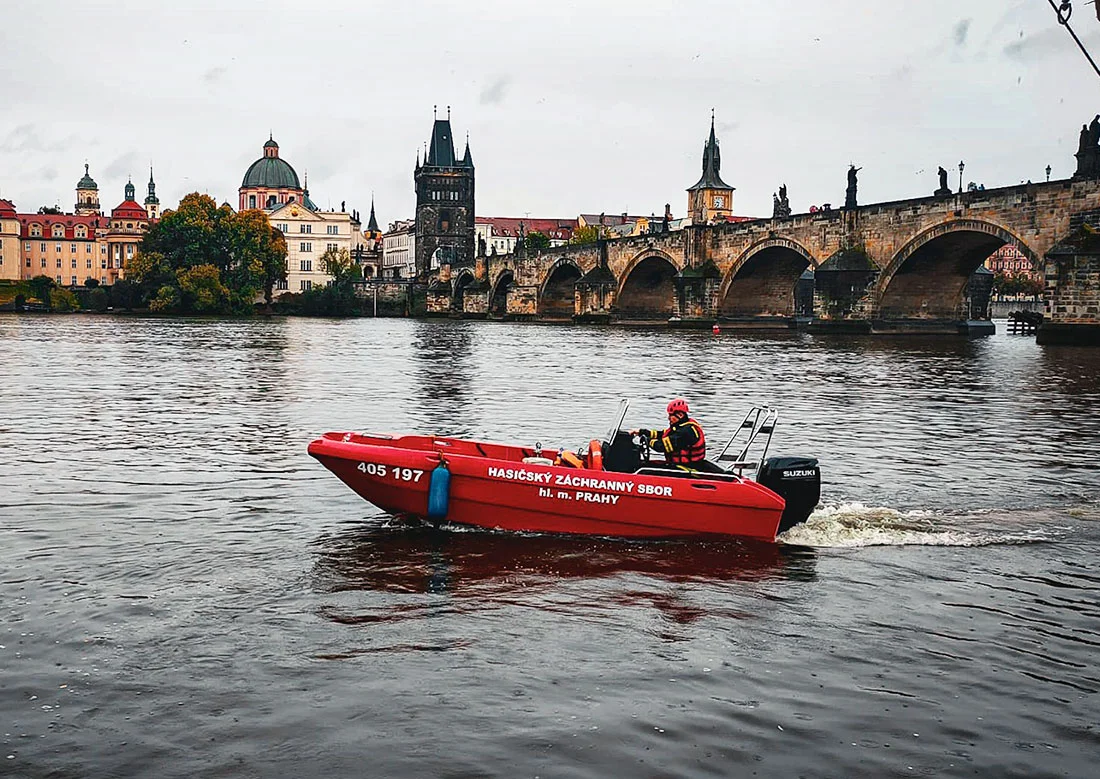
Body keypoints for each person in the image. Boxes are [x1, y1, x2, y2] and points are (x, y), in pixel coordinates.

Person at [634, 398, 707, 469]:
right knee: (642, 464)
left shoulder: (686, 432)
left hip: (685, 468)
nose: (668, 418)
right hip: (678, 464)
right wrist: (642, 432)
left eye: (671, 415)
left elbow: (661, 446)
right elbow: (663, 434)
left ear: (680, 415)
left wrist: (648, 441)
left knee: (645, 469)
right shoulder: (681, 426)